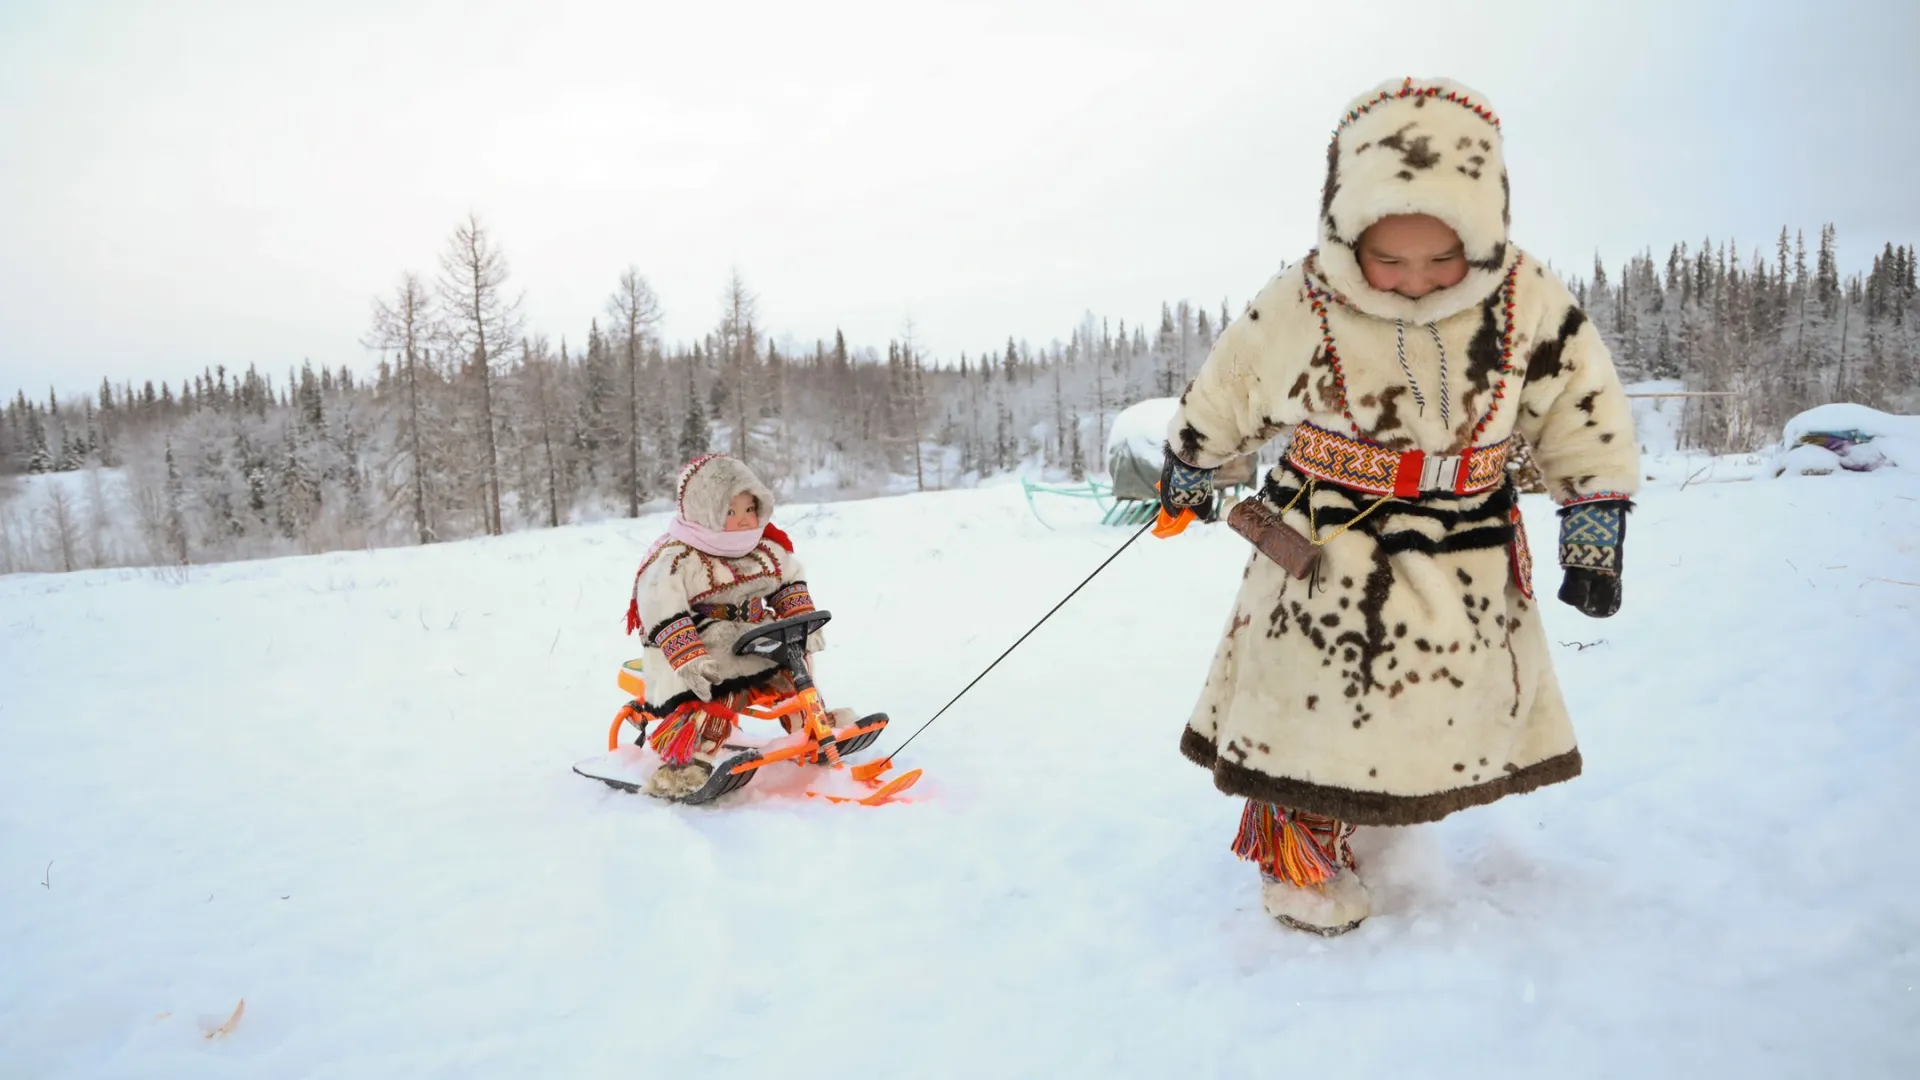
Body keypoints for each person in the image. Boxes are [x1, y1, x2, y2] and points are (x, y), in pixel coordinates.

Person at [1155, 76, 1639, 936]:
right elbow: (1234, 382)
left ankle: (1384, 813)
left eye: (1442, 256)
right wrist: (1193, 458)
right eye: (1389, 257)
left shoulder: (1528, 302)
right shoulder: (1302, 299)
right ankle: (1298, 855)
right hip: (1325, 537)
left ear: (1485, 231)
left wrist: (1593, 526)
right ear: (1344, 232)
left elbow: (1580, 408)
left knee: (1435, 696)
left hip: (1468, 544)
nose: (1415, 279)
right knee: (1307, 701)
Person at [623, 453, 842, 799]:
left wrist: (802, 623)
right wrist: (689, 656)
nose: (743, 521)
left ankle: (812, 726)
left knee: (793, 670)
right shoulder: (679, 558)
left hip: (757, 633)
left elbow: (789, 581)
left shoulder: (765, 548)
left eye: (749, 509)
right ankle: (685, 761)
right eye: (730, 512)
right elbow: (661, 606)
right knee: (713, 692)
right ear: (704, 510)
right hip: (702, 644)